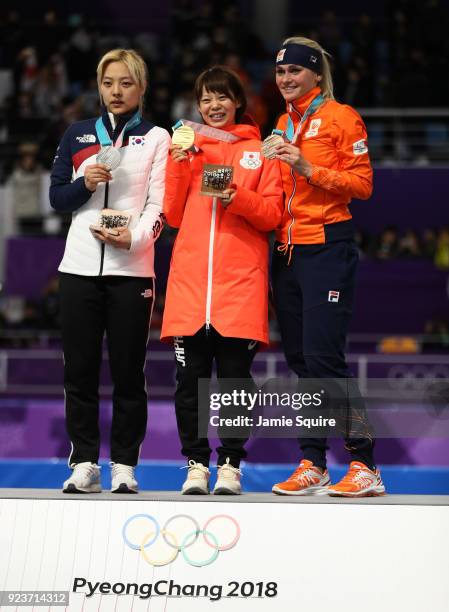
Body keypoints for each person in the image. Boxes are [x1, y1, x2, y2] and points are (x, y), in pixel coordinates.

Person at [49, 49, 170, 493]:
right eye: (108, 83)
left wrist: (135, 239)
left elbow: (161, 205)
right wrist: (85, 182)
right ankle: (84, 462)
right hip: (79, 268)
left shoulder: (157, 138)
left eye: (125, 83)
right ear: (99, 87)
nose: (115, 91)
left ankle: (123, 465)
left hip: (132, 269)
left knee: (127, 372)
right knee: (78, 370)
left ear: (141, 87)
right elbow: (57, 198)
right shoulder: (78, 134)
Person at [270, 37, 385, 497]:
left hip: (327, 248)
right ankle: (312, 462)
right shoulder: (281, 123)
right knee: (302, 363)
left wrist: (307, 168)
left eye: (295, 71)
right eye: (280, 73)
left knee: (325, 360)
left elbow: (363, 185)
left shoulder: (342, 117)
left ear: (316, 75)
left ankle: (364, 463)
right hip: (289, 253)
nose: (286, 79)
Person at [161, 66, 283, 495]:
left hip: (239, 286)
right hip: (191, 286)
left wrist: (238, 197)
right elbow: (172, 215)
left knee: (235, 383)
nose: (213, 106)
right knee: (188, 382)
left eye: (221, 97)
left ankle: (230, 464)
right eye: (205, 99)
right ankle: (195, 464)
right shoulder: (188, 149)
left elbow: (272, 214)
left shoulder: (262, 152)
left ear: (237, 101)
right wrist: (178, 166)